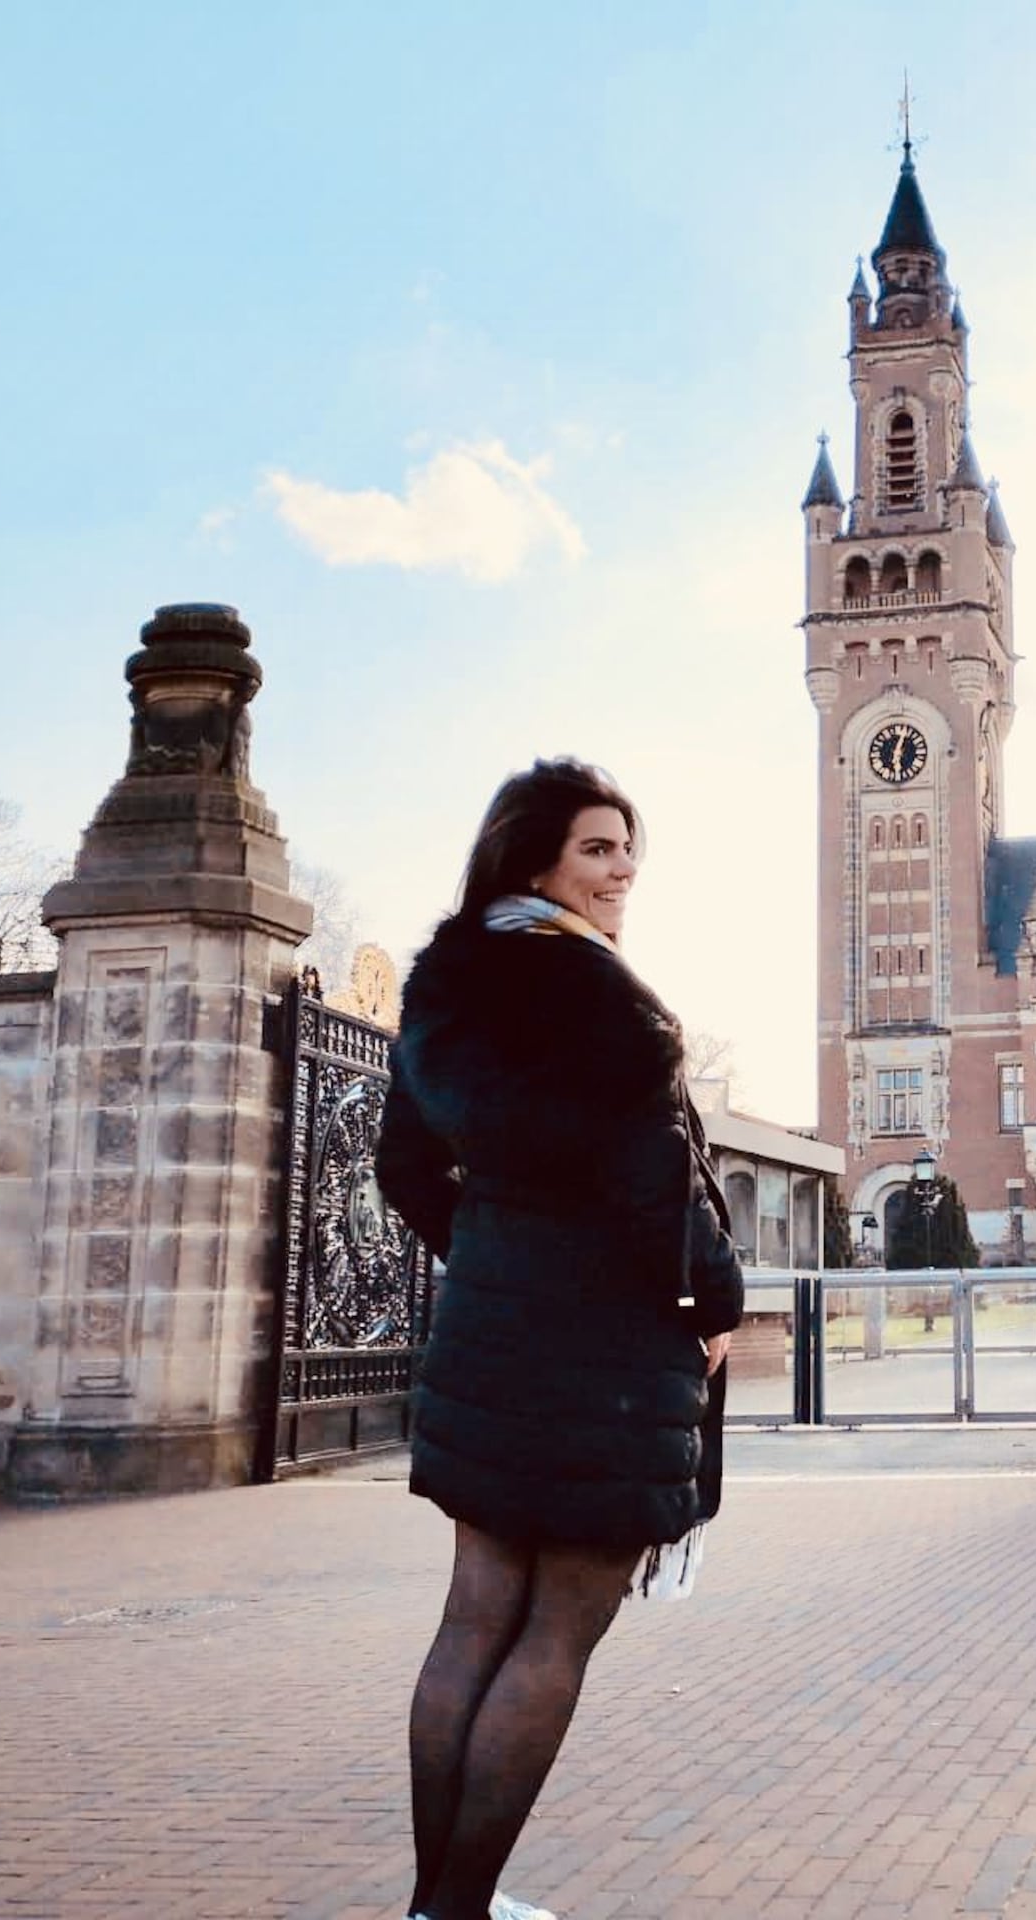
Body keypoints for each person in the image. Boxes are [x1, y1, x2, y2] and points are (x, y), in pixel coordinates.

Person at [373, 757, 743, 1920]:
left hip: (493, 1339)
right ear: (534, 857)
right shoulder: (602, 998)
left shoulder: (447, 985)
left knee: (474, 1618)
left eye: (628, 848)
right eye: (596, 848)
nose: (621, 868)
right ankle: (458, 1909)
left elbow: (404, 1170)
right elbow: (658, 1187)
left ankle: (440, 1905)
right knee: (557, 1634)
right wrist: (709, 1303)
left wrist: (497, 1257)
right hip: (610, 1362)